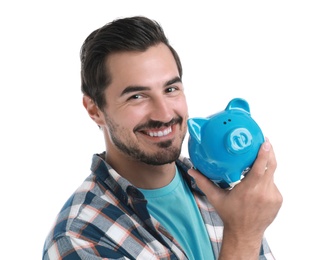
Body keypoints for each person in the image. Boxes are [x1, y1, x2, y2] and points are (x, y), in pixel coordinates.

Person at [42, 16, 282, 259]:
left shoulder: (223, 193)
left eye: (170, 89)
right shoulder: (79, 238)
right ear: (94, 110)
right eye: (137, 96)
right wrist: (243, 235)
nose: (165, 113)